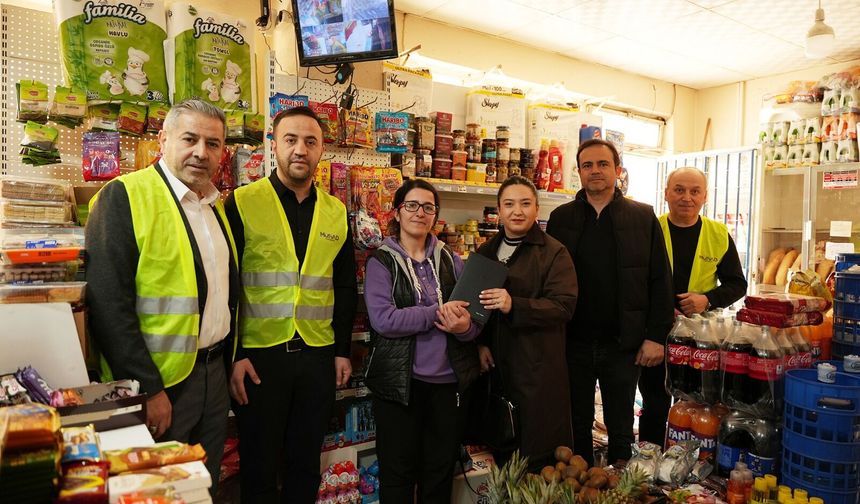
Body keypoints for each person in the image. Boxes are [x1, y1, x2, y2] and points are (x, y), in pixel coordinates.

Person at [86, 99, 239, 490]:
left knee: (203, 486)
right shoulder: (123, 196)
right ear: (163, 138)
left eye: (213, 143)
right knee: (155, 490)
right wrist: (148, 388)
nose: (201, 153)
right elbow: (108, 304)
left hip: (213, 376)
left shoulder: (213, 205)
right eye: (189, 139)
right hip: (161, 386)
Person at [225, 106, 357, 503]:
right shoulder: (242, 202)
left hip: (317, 357)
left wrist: (341, 352)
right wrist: (236, 353)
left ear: (321, 151)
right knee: (260, 466)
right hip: (259, 360)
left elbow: (346, 285)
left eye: (311, 142)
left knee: (305, 464)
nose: (301, 149)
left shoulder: (336, 211)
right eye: (291, 140)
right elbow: (227, 285)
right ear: (275, 145)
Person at [546, 139, 674, 466]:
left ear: (617, 170)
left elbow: (661, 281)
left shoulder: (643, 217)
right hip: (573, 342)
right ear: (579, 172)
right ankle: (581, 490)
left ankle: (620, 491)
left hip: (624, 344)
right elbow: (548, 278)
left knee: (620, 427)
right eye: (587, 165)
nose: (595, 171)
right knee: (576, 425)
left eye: (603, 164)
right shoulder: (561, 218)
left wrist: (655, 336)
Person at [364, 179, 481, 503]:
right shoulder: (382, 261)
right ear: (398, 212)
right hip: (401, 389)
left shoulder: (452, 261)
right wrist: (434, 313)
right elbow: (384, 320)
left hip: (448, 387)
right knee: (398, 476)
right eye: (412, 205)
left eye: (428, 207)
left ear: (435, 216)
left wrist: (463, 328)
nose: (420, 212)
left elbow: (472, 326)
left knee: (439, 474)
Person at [637, 167, 748, 446]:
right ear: (666, 194)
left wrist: (706, 299)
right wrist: (661, 309)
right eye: (679, 190)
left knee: (696, 405)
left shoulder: (718, 233)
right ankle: (650, 458)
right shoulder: (649, 228)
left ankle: (690, 465)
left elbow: (737, 285)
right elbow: (633, 283)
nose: (687, 197)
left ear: (705, 196)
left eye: (694, 191)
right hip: (655, 333)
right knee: (655, 400)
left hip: (700, 338)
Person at [476, 175, 578, 470]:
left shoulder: (554, 253)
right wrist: (480, 344)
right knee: (500, 450)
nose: (516, 211)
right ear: (499, 209)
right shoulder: (486, 252)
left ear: (536, 209)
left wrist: (514, 304)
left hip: (537, 369)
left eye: (525, 203)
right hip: (496, 370)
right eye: (508, 204)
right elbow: (474, 305)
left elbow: (563, 306)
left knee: (535, 455)